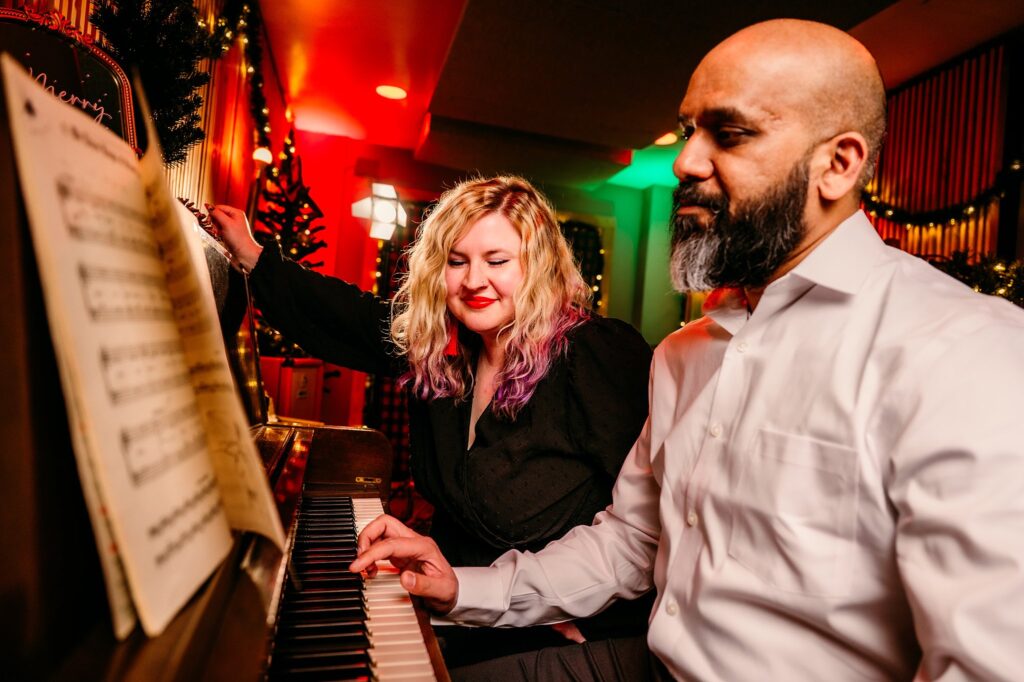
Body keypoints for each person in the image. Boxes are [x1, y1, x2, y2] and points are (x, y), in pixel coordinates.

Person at [351, 18, 1024, 681]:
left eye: (729, 133)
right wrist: (461, 589)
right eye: (689, 129)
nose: (683, 162)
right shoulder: (685, 355)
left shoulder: (962, 351)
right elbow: (629, 542)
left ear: (838, 163)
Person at [208, 176, 654, 666]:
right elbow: (348, 318)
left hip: (566, 630)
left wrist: (576, 609)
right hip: (461, 602)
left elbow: (652, 519)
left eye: (497, 261)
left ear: (539, 266)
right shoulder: (441, 352)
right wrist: (254, 257)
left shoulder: (594, 355)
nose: (473, 280)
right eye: (456, 261)